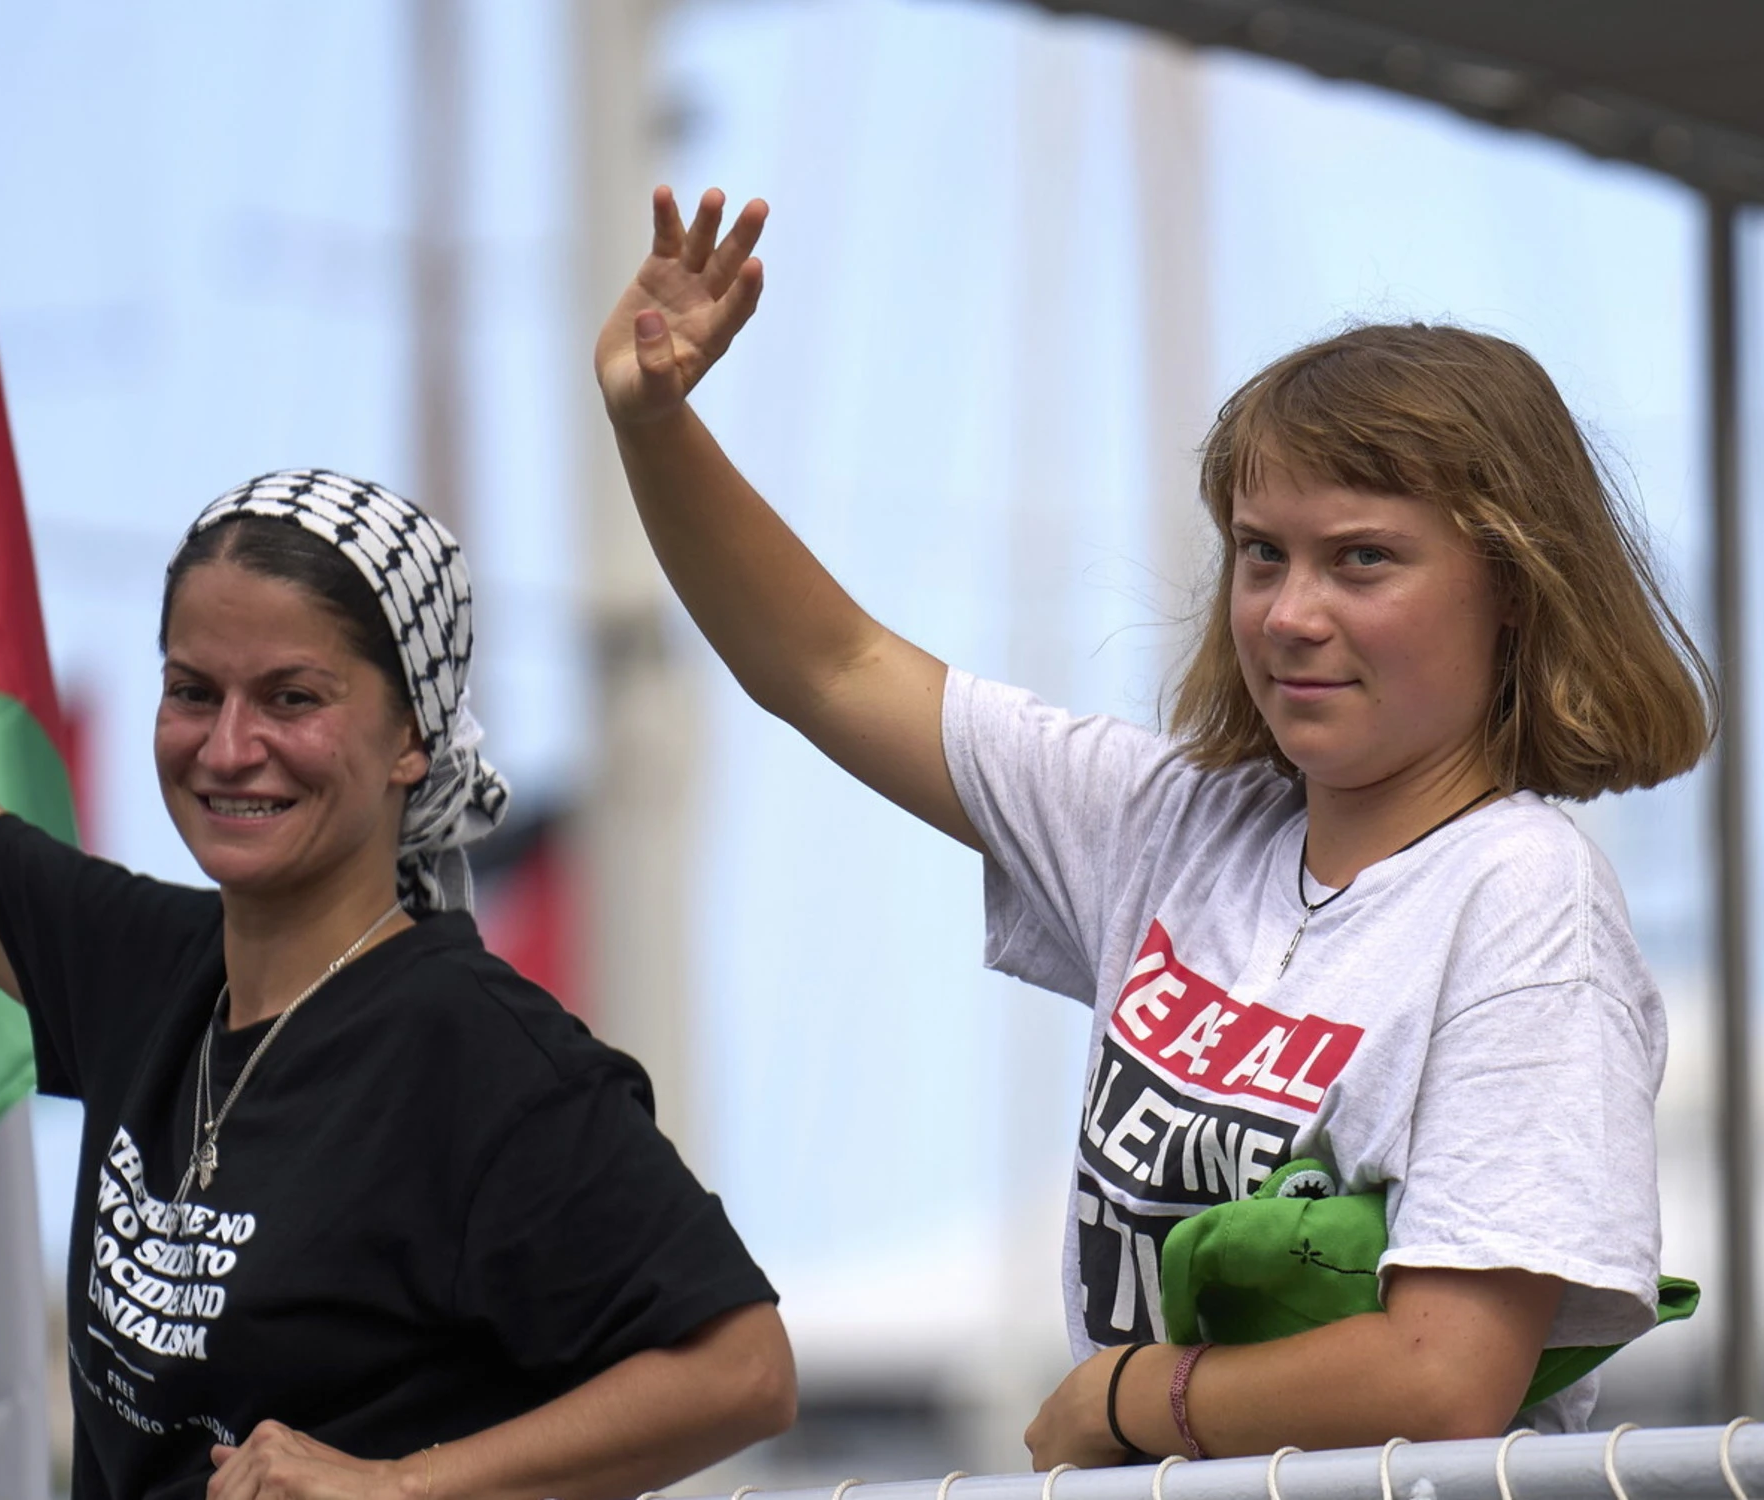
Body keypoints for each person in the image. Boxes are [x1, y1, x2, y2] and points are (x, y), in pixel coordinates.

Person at [593, 187, 1715, 1461]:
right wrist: (654, 422)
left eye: (1360, 559)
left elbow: (1444, 1377)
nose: (1288, 613)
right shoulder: (1170, 823)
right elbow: (829, 665)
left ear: (1513, 589)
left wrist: (1123, 1401)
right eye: (1258, 553)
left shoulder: (1522, 894)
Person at [0, 469, 795, 1499]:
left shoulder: (482, 1053)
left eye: (292, 698)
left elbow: (743, 1371)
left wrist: (396, 1485)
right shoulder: (139, 970)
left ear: (410, 738)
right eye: (192, 691)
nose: (230, 749)